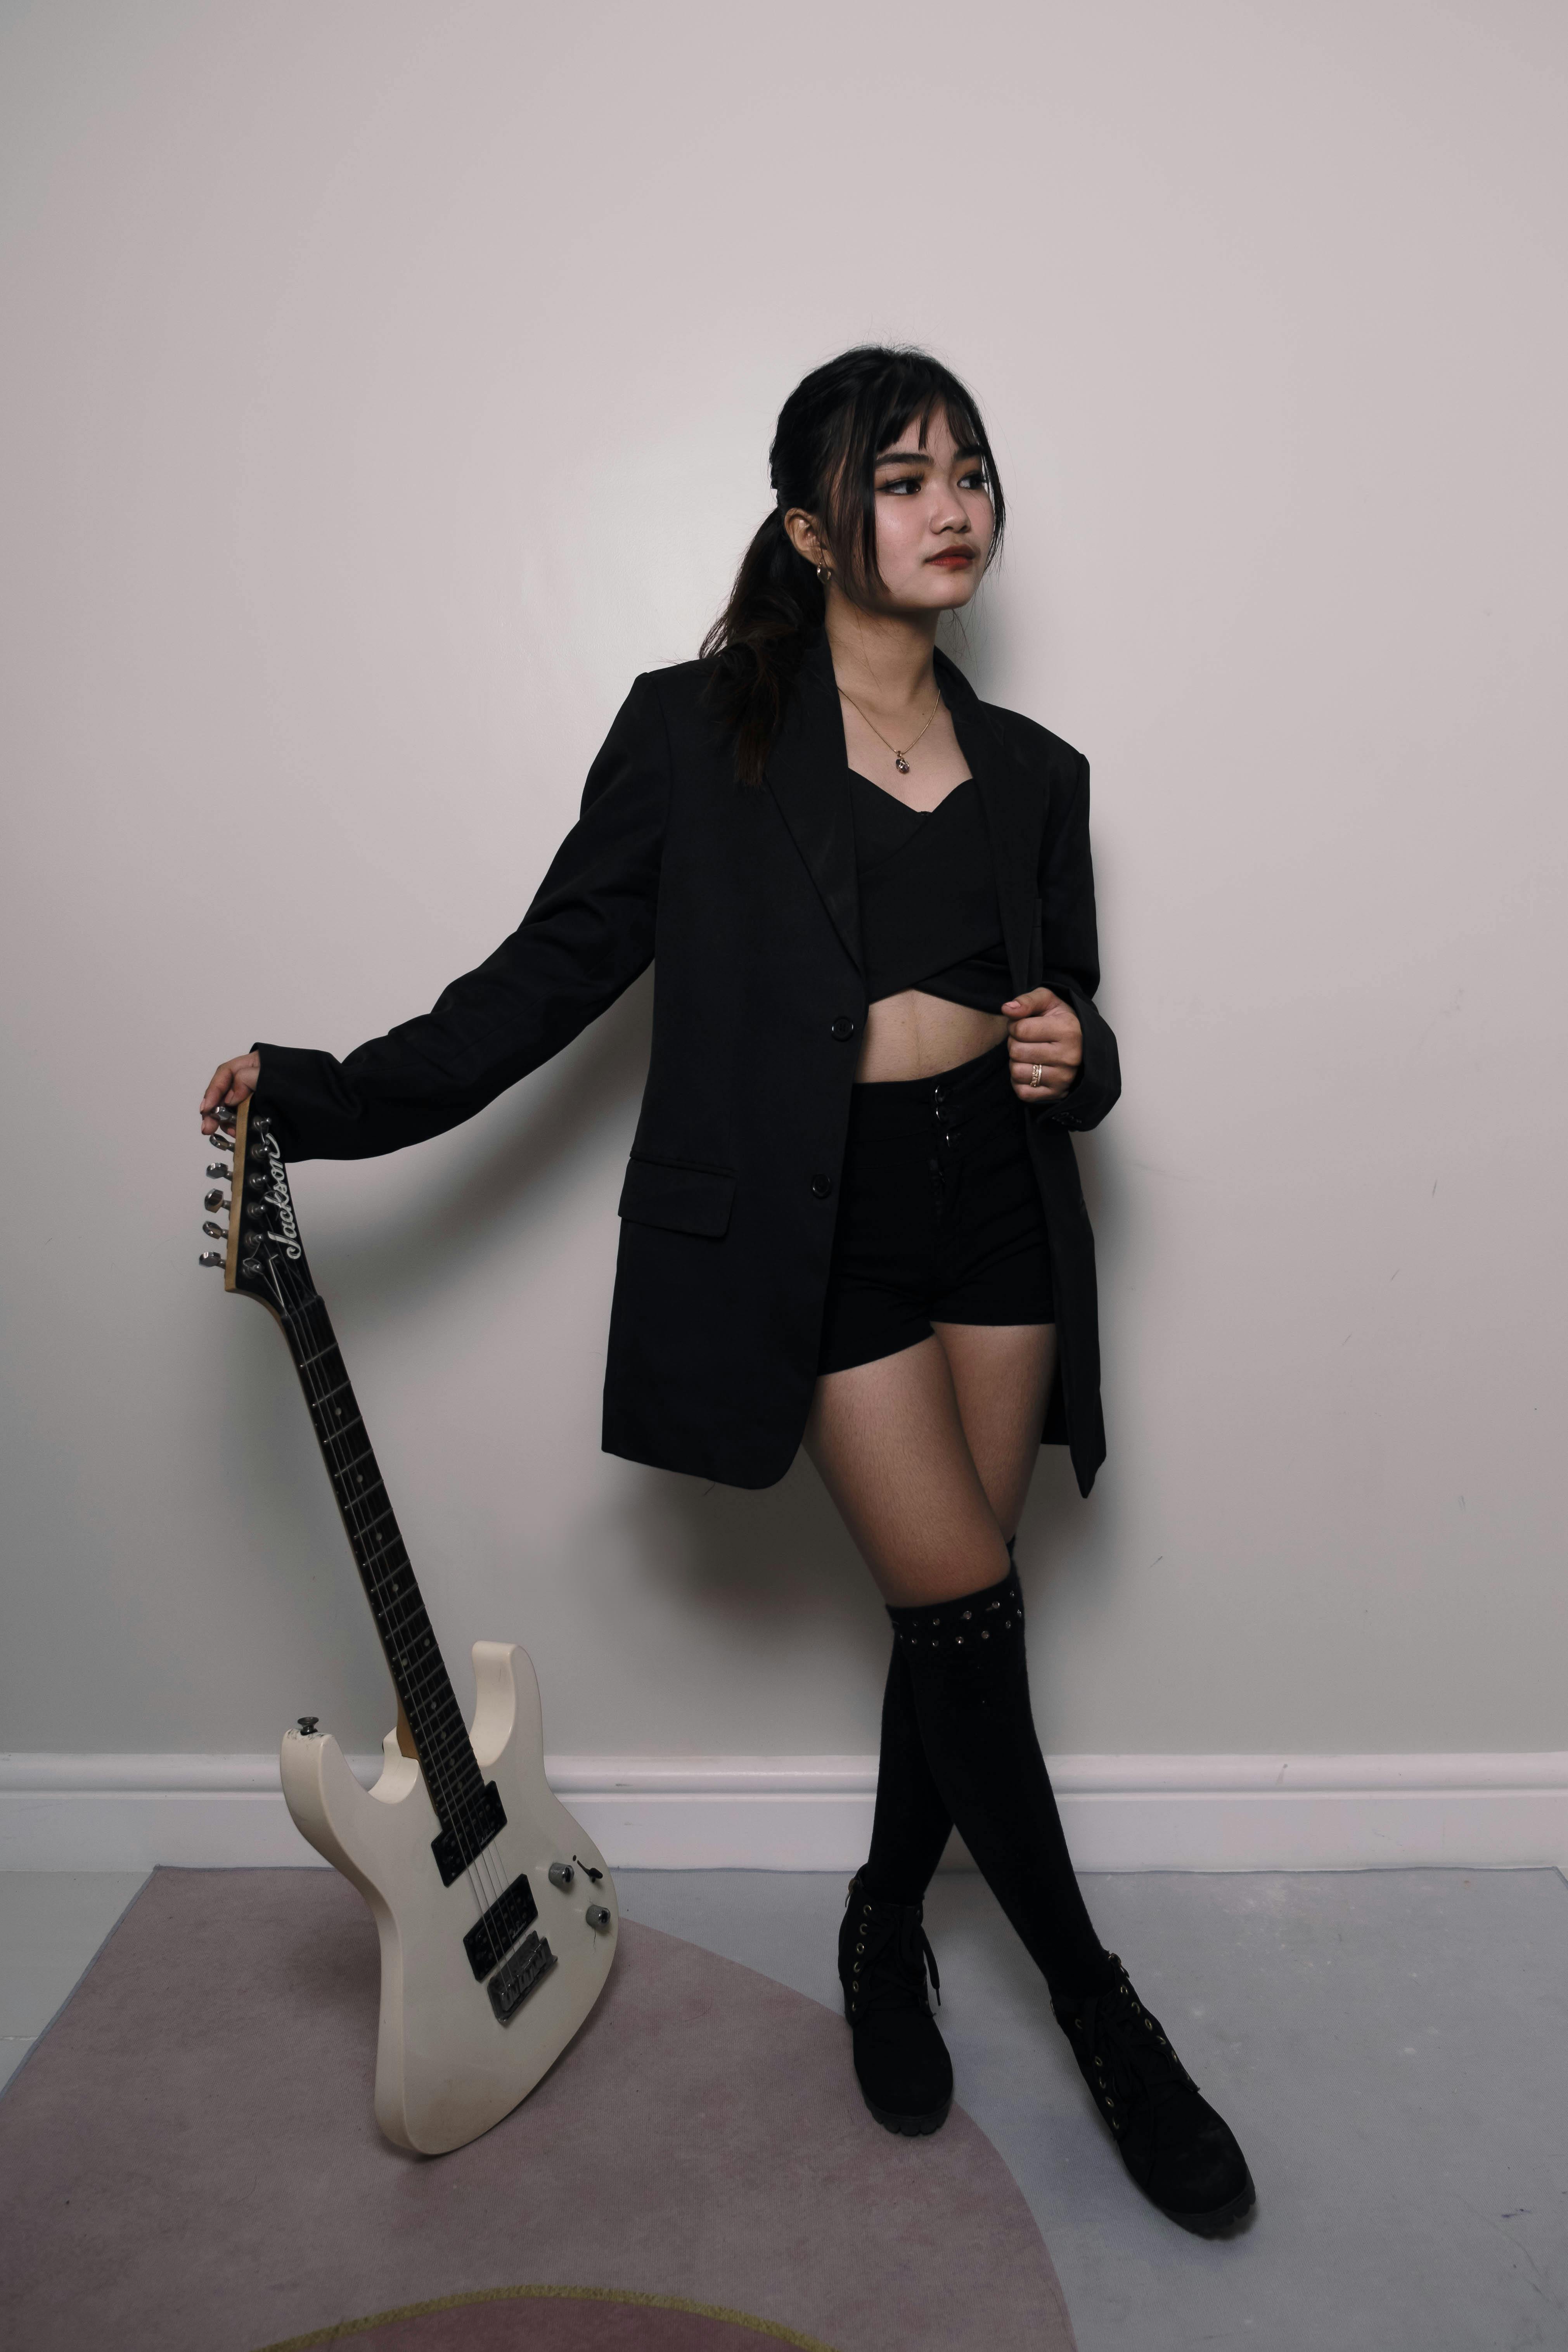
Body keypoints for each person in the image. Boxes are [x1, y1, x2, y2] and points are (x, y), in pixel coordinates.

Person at [201, 345, 1254, 2235]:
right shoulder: (699, 733)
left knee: (966, 1623)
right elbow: (550, 972)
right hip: (815, 1223)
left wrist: (1075, 1060)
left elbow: (1074, 1025)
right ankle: (1107, 2015)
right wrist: (325, 1092)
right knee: (966, 1619)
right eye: (904, 476)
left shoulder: (1036, 773)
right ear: (807, 523)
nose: (952, 506)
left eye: (972, 473)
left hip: (999, 1214)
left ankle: (876, 1929)